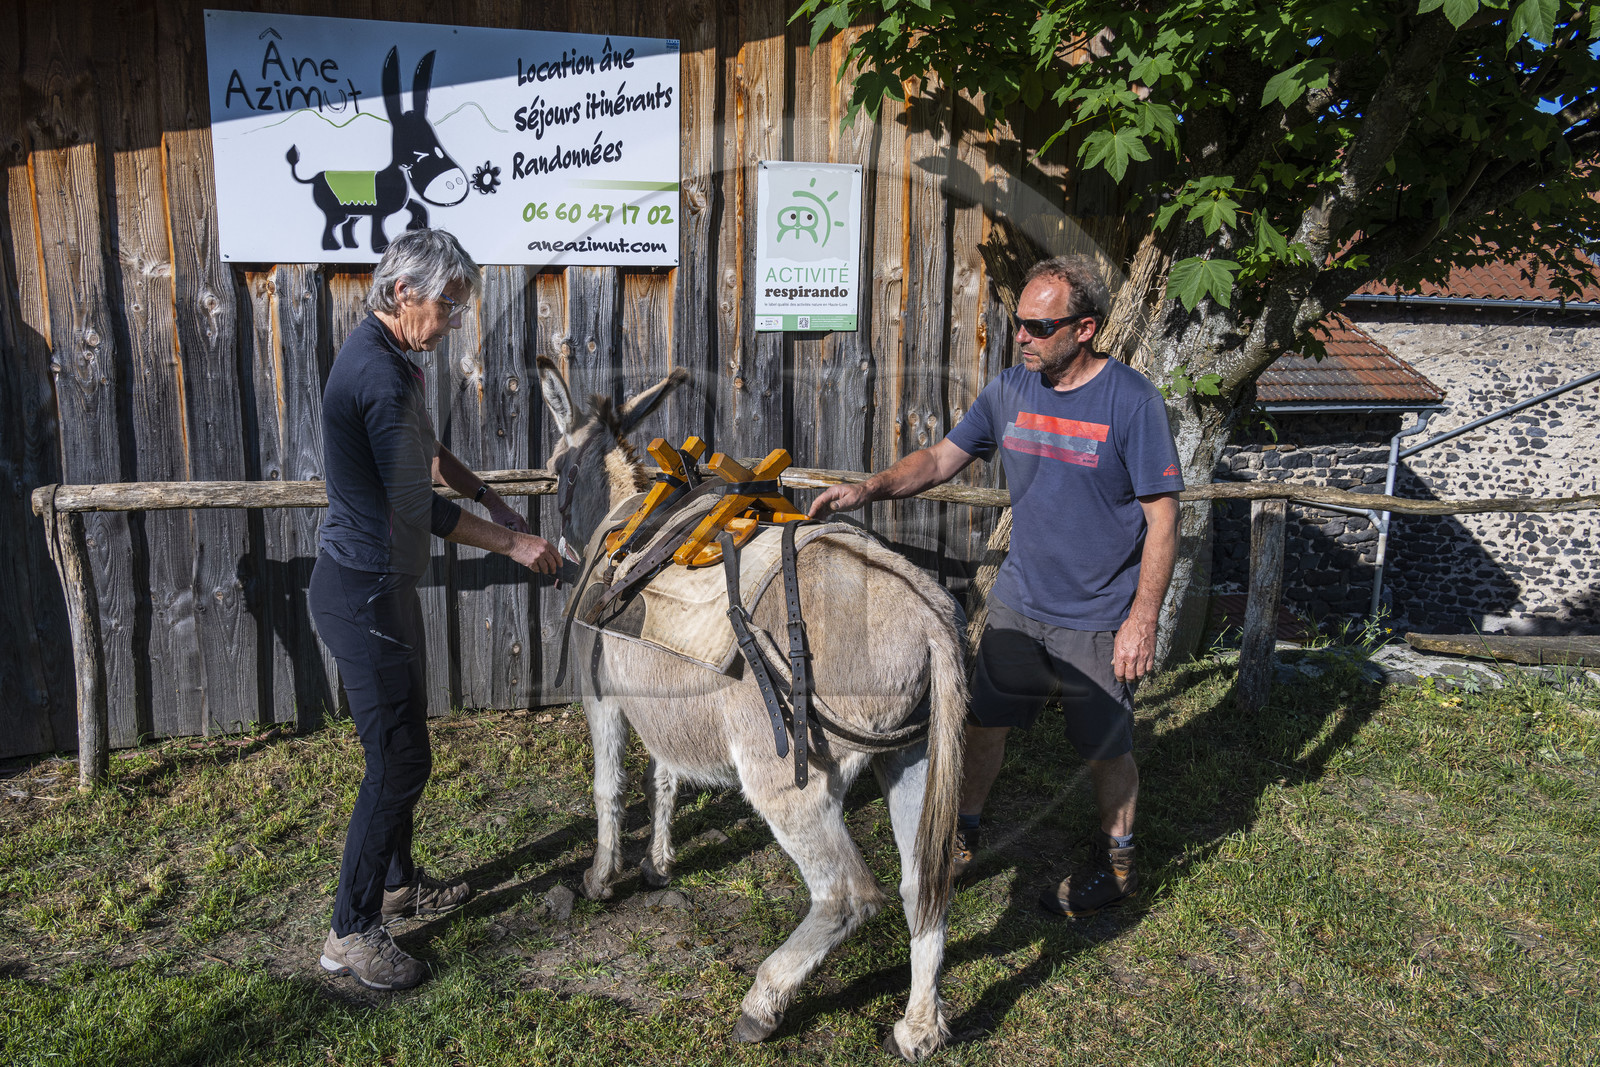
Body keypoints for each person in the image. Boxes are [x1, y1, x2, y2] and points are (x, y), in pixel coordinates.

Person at [808, 254, 1181, 917]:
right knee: (984, 723)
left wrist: (1142, 617)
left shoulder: (1132, 402)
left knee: (1106, 747)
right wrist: (870, 488)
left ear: (1085, 327)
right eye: (1020, 323)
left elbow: (1162, 518)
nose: (1023, 337)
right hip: (1020, 602)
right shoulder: (1011, 391)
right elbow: (941, 458)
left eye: (1040, 326)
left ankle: (1117, 859)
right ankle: (964, 836)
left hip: (1098, 614)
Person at [311, 228, 559, 990]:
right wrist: (516, 547)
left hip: (383, 588)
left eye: (461, 305)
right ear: (402, 292)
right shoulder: (377, 377)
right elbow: (420, 506)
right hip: (361, 594)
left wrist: (489, 493)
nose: (455, 319)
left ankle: (398, 884)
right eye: (449, 303)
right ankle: (350, 932)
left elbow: (432, 452)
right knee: (400, 758)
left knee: (402, 742)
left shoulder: (397, 363)